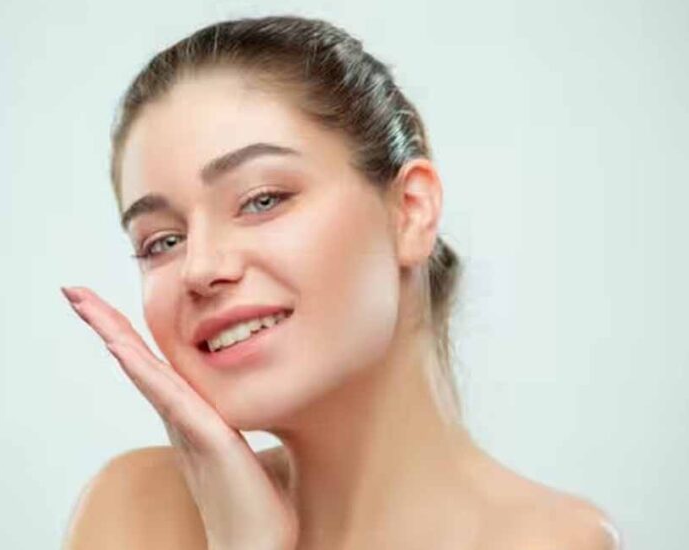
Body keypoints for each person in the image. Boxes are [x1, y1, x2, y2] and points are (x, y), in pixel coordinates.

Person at [61, 15, 621, 550]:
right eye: (162, 242)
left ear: (410, 211)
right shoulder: (135, 511)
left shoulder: (557, 542)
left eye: (262, 200)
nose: (200, 268)